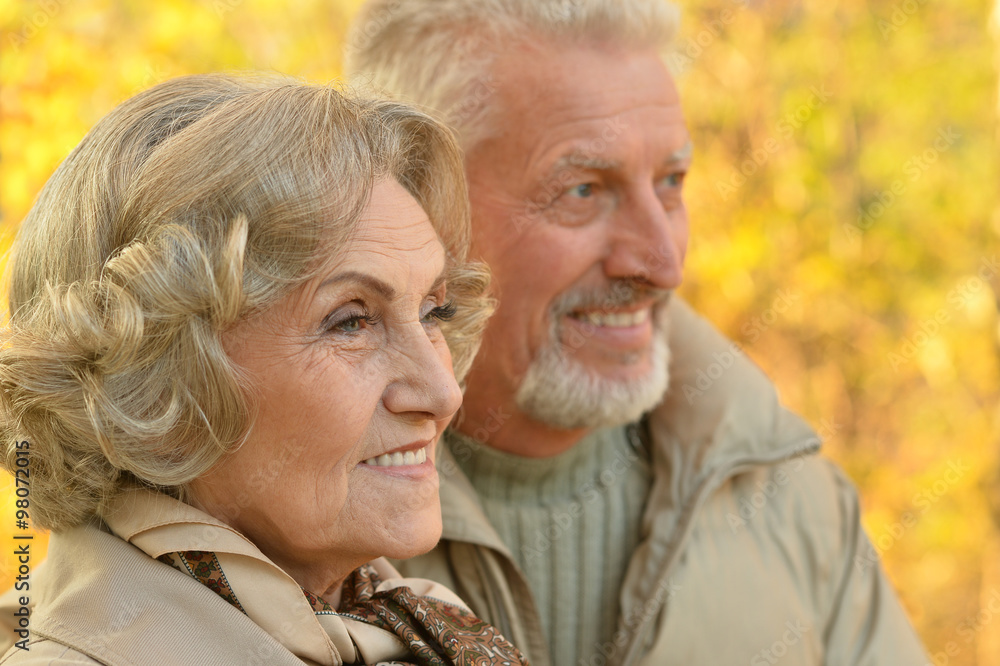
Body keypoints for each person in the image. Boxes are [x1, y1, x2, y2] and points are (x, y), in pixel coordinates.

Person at [344, 1, 930, 664]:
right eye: (585, 190)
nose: (663, 263)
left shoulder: (801, 512)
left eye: (672, 182)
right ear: (409, 202)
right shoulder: (279, 518)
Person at [0, 73, 528, 665]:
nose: (441, 391)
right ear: (157, 385)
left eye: (434, 310)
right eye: (351, 321)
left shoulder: (396, 625)